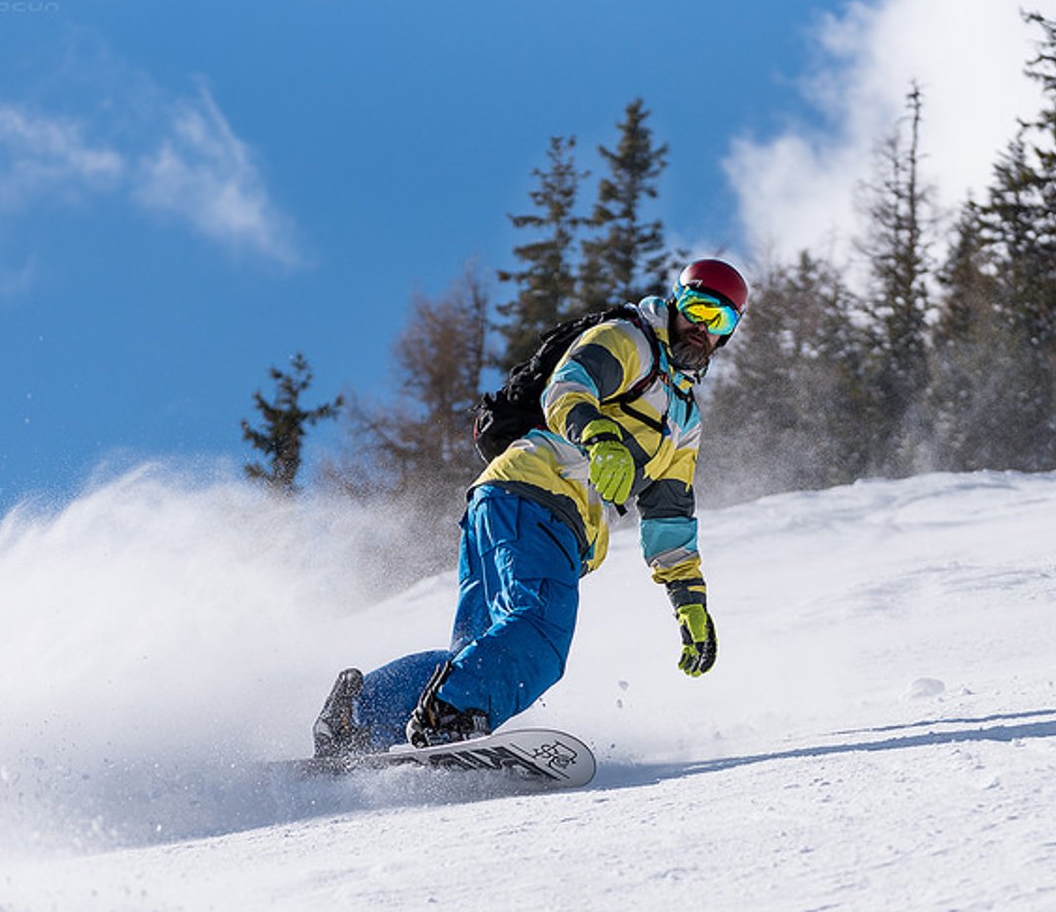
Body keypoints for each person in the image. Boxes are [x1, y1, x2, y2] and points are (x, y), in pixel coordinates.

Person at [313, 257, 749, 757]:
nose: (702, 327)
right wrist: (599, 433)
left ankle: (360, 717)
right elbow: (567, 385)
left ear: (727, 335)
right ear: (675, 303)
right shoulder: (629, 341)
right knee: (538, 636)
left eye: (720, 320)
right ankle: (448, 719)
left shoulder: (684, 420)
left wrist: (688, 601)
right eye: (696, 308)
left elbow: (669, 515)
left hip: (505, 504)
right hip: (539, 497)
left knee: (476, 653)